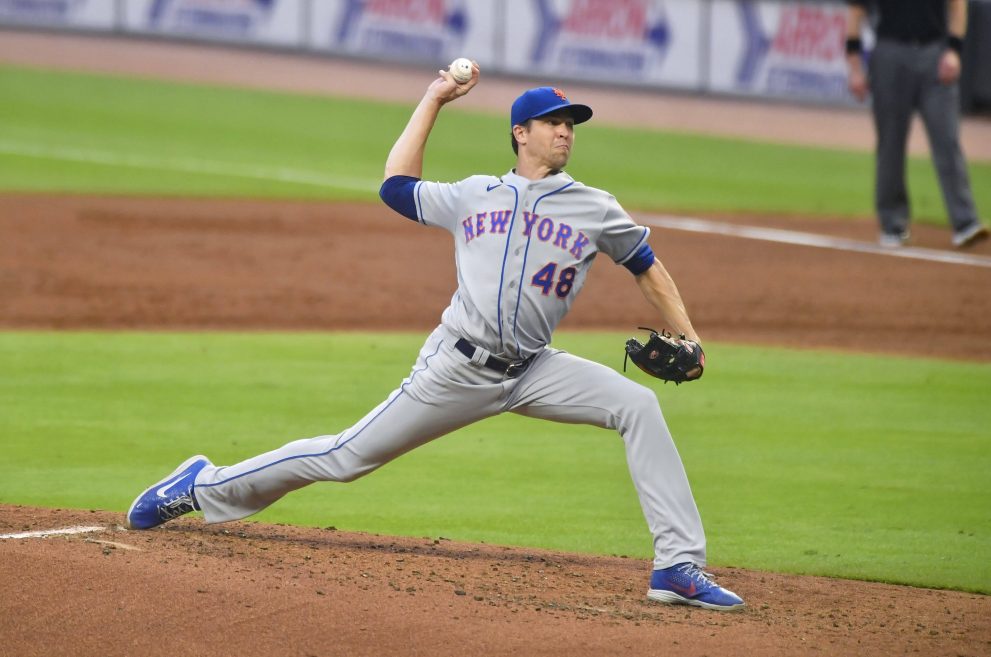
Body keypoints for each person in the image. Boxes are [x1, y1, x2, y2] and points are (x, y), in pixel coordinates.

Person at [125, 63, 744, 611]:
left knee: (636, 404)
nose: (564, 131)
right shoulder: (474, 194)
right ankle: (202, 484)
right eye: (552, 122)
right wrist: (434, 100)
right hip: (457, 368)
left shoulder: (595, 207)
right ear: (519, 134)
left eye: (571, 123)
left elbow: (647, 266)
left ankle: (677, 565)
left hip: (534, 369)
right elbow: (395, 186)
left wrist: (689, 337)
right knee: (345, 458)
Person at [845, 0, 987, 248]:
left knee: (947, 138)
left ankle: (965, 222)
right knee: (890, 143)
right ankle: (892, 224)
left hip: (935, 52)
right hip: (890, 52)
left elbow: (958, 4)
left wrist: (954, 49)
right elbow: (856, 12)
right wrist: (855, 67)